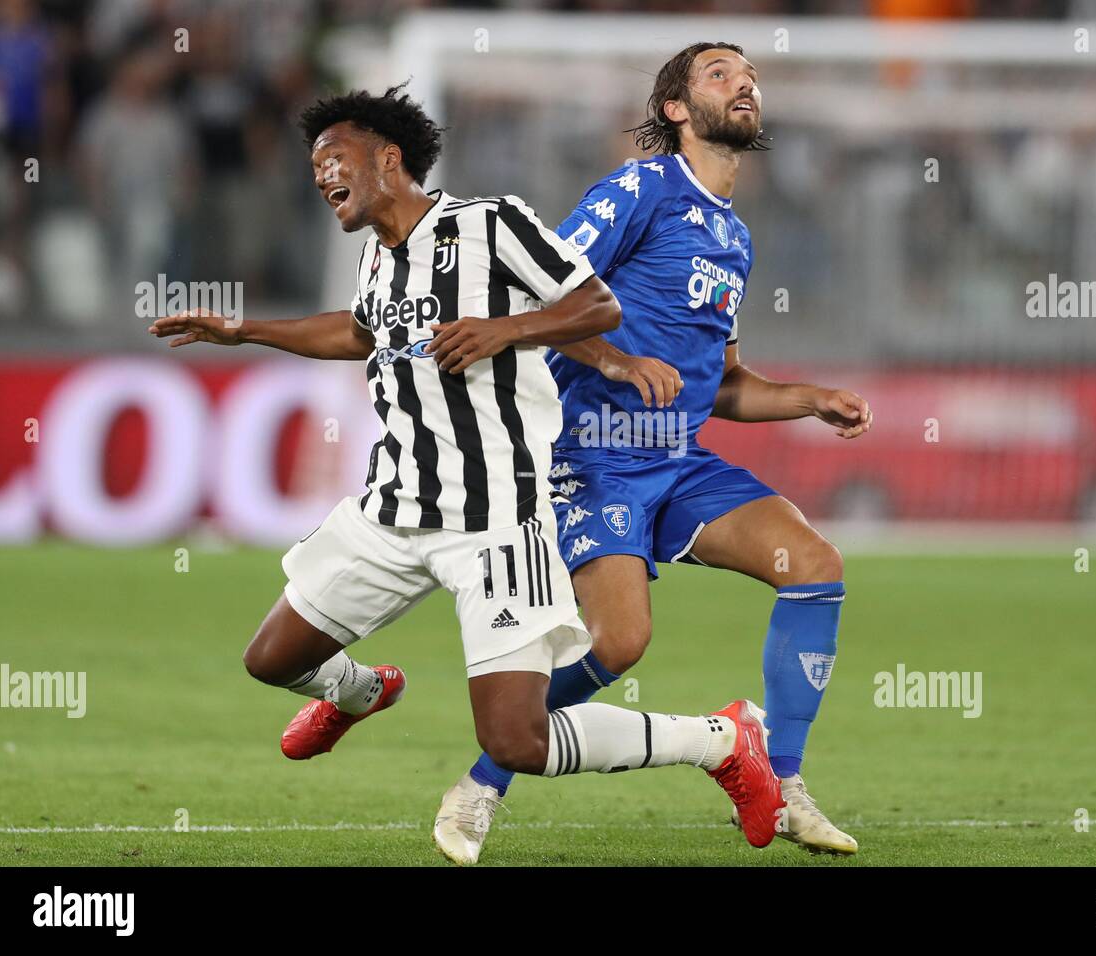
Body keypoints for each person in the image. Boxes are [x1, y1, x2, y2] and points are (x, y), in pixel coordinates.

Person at [147, 84, 785, 864]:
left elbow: (595, 306)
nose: (321, 175)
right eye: (315, 165)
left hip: (494, 522)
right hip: (392, 509)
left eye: (333, 158)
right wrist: (244, 330)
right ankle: (364, 691)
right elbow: (357, 332)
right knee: (270, 660)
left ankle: (718, 740)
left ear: (389, 160)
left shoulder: (490, 224)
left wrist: (503, 331)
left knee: (516, 738)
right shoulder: (378, 260)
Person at [436, 44, 872, 862]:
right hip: (590, 454)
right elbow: (544, 291)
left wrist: (809, 398)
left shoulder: (733, 238)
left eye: (751, 75)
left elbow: (724, 385)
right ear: (676, 107)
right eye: (719, 73)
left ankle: (781, 786)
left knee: (815, 564)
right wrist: (614, 361)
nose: (744, 82)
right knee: (619, 643)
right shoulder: (639, 188)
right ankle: (484, 780)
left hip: (677, 460)